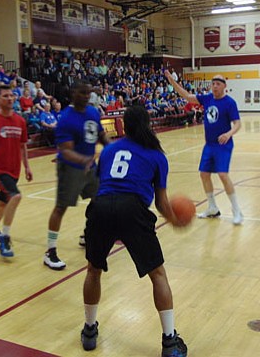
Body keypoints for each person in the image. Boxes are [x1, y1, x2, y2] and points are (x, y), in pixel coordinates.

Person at [80, 106, 188, 357]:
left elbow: (97, 187)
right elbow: (161, 203)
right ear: (148, 124)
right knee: (158, 275)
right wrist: (174, 220)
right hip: (133, 209)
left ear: (123, 127)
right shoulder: (157, 155)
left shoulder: (108, 150)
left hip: (101, 207)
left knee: (93, 271)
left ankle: (88, 332)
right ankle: (170, 343)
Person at [44, 80, 110, 271]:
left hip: (90, 166)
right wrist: (84, 161)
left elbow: (101, 135)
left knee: (99, 201)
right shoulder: (65, 118)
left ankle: (86, 235)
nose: (87, 96)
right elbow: (65, 151)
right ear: (73, 93)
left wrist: (112, 146)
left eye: (88, 93)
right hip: (71, 167)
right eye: (82, 92)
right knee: (61, 208)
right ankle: (50, 251)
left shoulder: (92, 112)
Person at [165, 71, 243, 224]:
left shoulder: (230, 103)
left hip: (223, 145)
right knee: (204, 174)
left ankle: (237, 210)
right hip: (209, 144)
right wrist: (171, 80)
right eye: (213, 83)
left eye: (218, 84)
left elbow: (238, 124)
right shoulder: (207, 98)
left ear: (224, 86)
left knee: (222, 174)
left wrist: (228, 134)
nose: (214, 86)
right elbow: (187, 96)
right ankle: (212, 207)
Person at [0, 85, 33, 256]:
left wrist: (27, 166)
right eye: (5, 96)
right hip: (0, 171)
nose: (10, 98)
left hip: (15, 170)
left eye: (12, 95)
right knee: (16, 196)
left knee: (4, 203)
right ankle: (5, 237)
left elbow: (23, 146)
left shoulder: (20, 121)